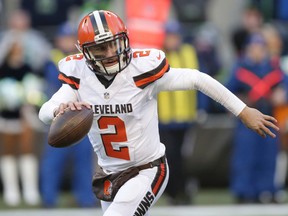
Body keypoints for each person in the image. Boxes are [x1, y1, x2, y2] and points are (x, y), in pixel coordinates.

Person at [39, 10, 279, 216]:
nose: (111, 51)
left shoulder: (141, 70)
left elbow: (197, 78)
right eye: (101, 47)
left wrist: (243, 110)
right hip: (110, 175)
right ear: (85, 51)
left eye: (114, 43)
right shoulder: (78, 75)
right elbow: (45, 111)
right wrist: (59, 110)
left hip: (147, 170)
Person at [39, 22, 97, 208]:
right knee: (54, 159)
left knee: (83, 160)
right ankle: (48, 198)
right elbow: (55, 89)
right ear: (58, 40)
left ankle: (85, 198)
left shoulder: (83, 62)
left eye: (72, 38)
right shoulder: (52, 60)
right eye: (65, 38)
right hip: (60, 116)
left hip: (81, 117)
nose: (68, 42)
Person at [226, 33, 286, 204]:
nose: (257, 52)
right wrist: (238, 100)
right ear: (248, 50)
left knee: (268, 157)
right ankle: (243, 191)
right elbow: (226, 91)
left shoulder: (273, 69)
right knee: (245, 157)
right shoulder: (240, 69)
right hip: (247, 119)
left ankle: (267, 190)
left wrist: (282, 94)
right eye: (254, 48)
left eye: (260, 48)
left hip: (268, 117)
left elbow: (285, 85)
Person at [157, 20, 199, 205]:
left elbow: (199, 79)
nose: (173, 40)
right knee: (169, 156)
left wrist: (201, 108)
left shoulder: (188, 52)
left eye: (175, 36)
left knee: (184, 158)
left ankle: (183, 190)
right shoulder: (157, 55)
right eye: (170, 37)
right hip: (164, 117)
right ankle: (172, 192)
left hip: (186, 116)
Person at [0, 33, 43, 206]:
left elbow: (35, 92)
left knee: (27, 152)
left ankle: (30, 190)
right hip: (6, 118)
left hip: (25, 117)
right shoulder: (2, 70)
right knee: (7, 152)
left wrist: (29, 96)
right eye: (15, 49)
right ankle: (11, 191)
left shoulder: (28, 68)